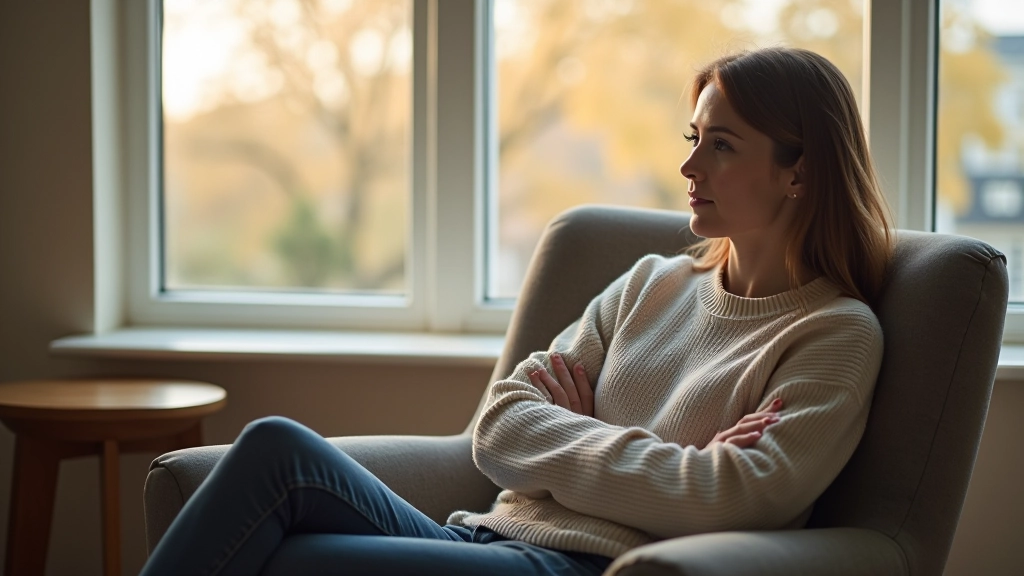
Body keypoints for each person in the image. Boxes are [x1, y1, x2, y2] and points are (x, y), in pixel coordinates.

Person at [139, 46, 893, 576]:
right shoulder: (650, 285)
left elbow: (732, 501)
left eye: (722, 146)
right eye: (694, 139)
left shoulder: (833, 334)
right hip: (482, 536)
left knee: (285, 558)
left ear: (802, 172)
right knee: (275, 446)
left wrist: (579, 433)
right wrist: (669, 463)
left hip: (578, 565)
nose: (690, 167)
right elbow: (499, 427)